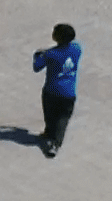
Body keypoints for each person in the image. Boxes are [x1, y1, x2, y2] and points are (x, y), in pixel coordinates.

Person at [33, 23, 82, 157]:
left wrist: (37, 55)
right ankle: (55, 142)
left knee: (50, 114)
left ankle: (50, 135)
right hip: (69, 93)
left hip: (51, 91)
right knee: (63, 118)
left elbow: (37, 67)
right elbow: (63, 52)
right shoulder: (77, 49)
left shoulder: (50, 54)